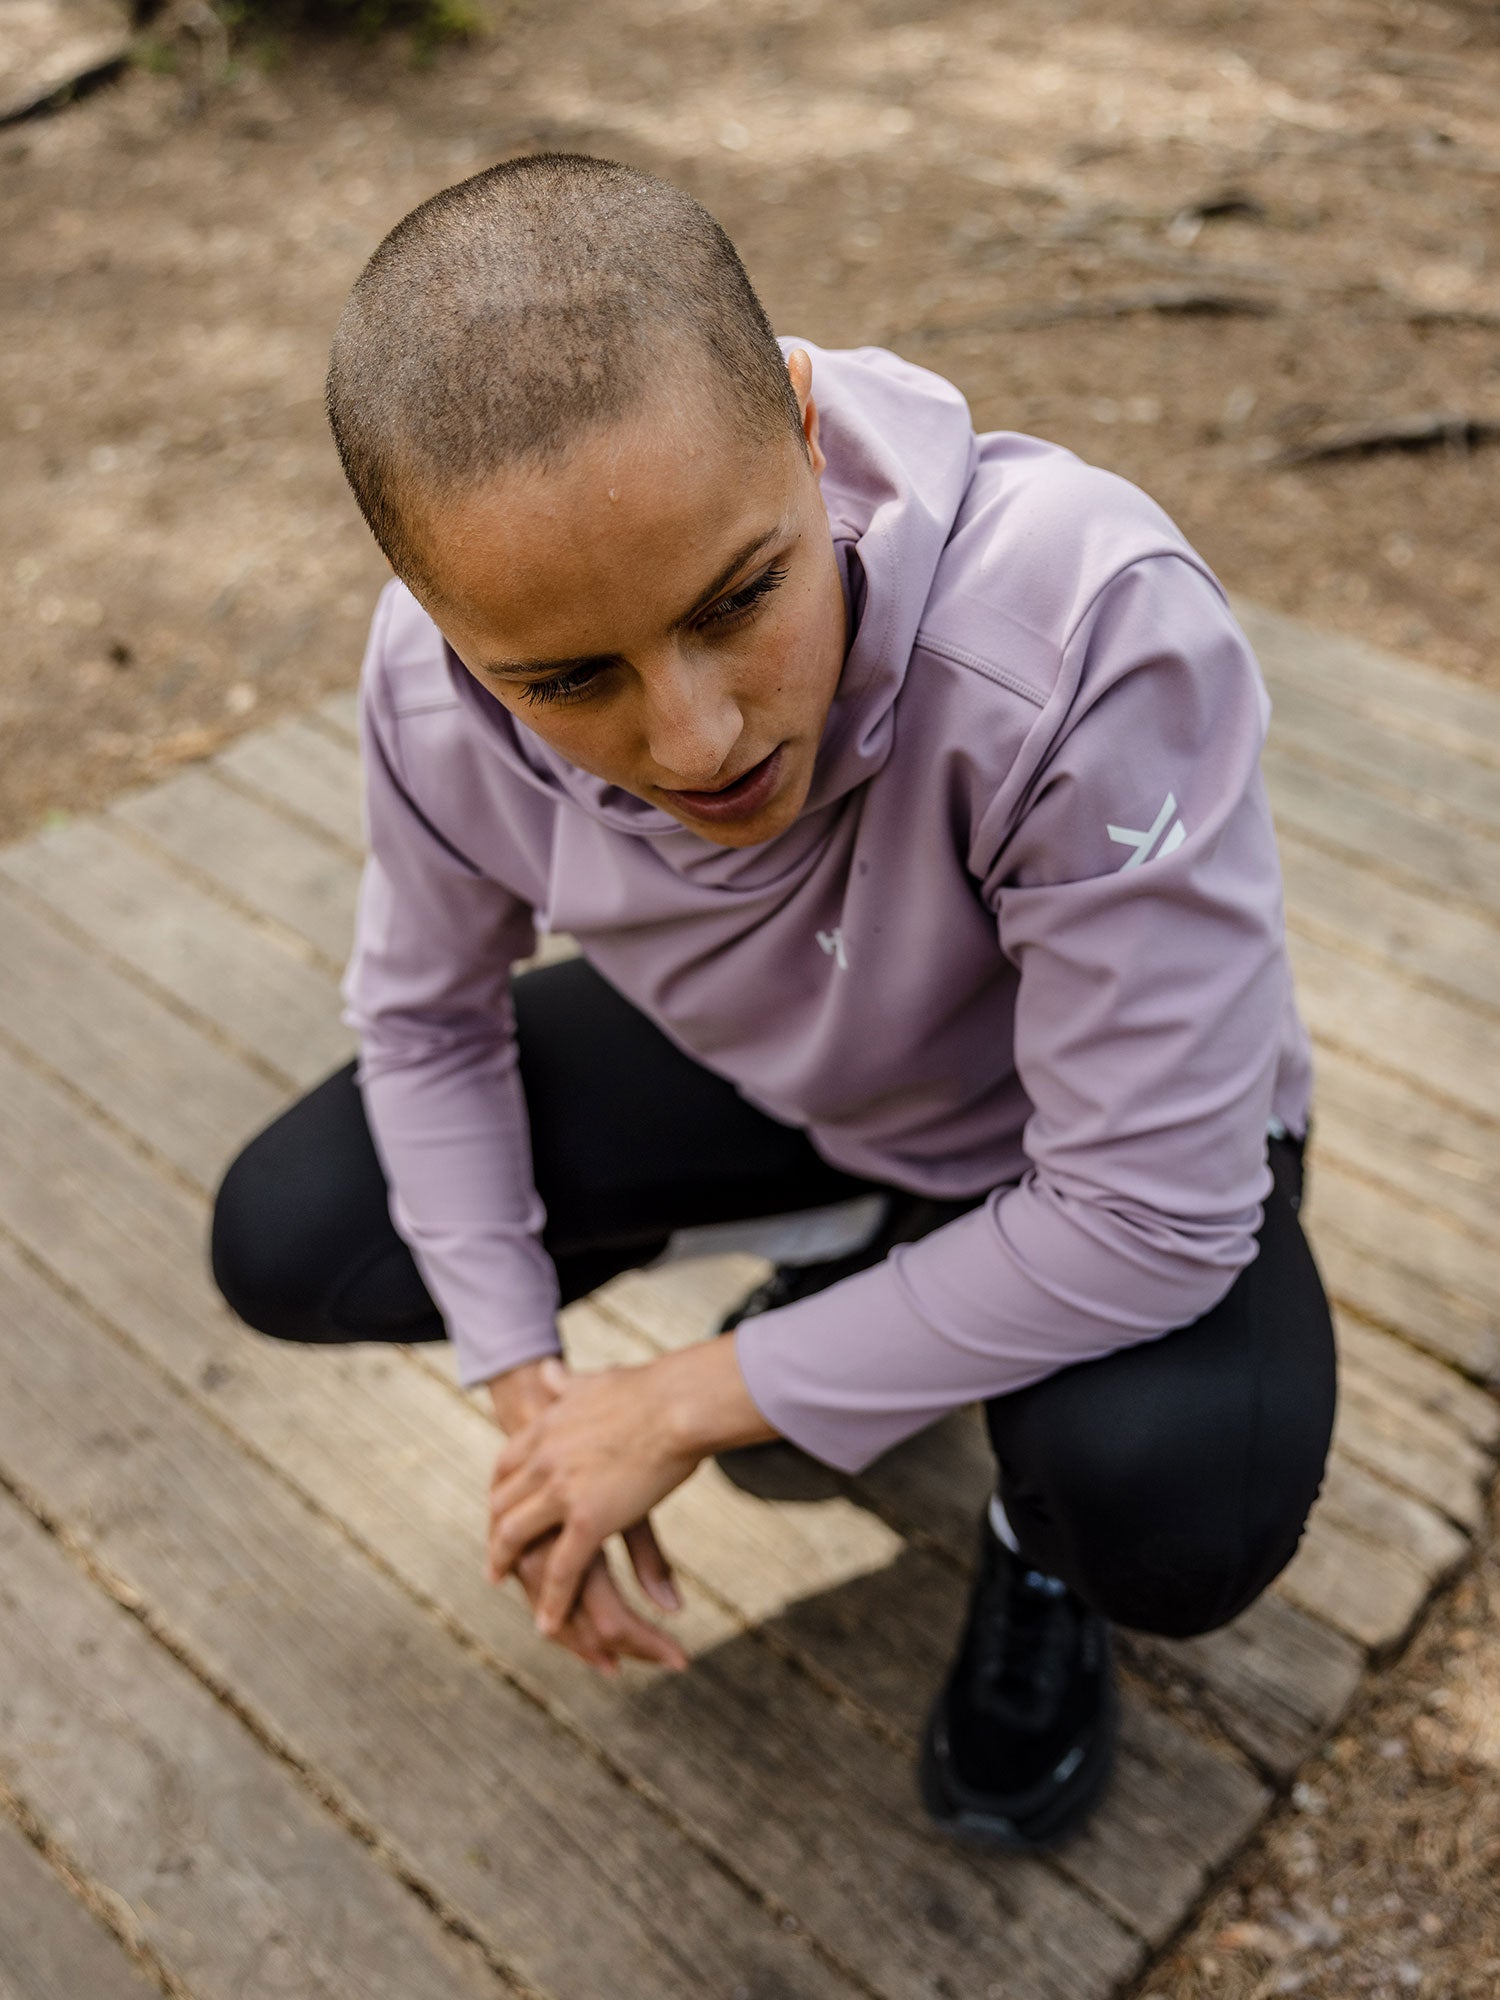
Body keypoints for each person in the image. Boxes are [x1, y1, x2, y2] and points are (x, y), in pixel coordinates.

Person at [209, 151, 1337, 1852]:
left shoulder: (1090, 626)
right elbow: (429, 1024)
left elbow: (1158, 1215)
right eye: (565, 681)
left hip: (1110, 1145)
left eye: (740, 599)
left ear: (807, 432)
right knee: (297, 1231)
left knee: (1167, 1500)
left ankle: (1029, 1539)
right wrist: (541, 1411)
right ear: (445, 630)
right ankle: (876, 1248)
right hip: (796, 1061)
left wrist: (678, 1401)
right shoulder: (427, 687)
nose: (701, 741)